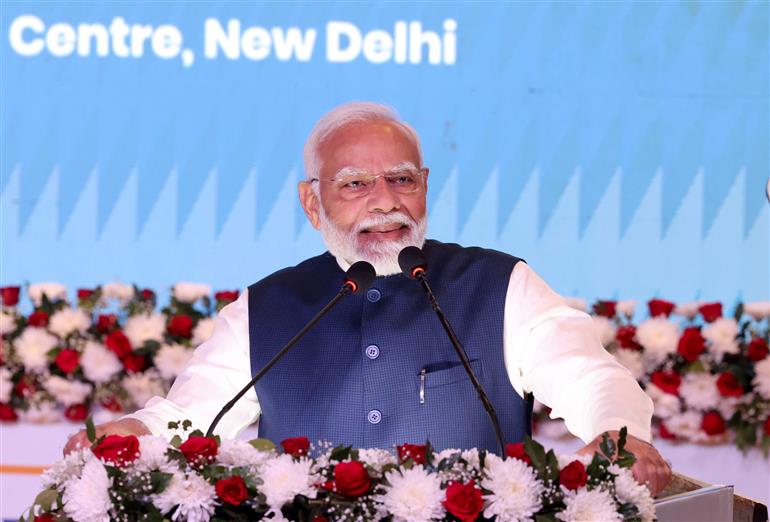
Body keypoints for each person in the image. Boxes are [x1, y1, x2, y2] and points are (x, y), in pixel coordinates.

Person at [65, 102, 671, 495]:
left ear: (424, 186)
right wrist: (133, 431)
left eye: (402, 179)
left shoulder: (501, 285)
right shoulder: (265, 308)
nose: (384, 200)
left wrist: (617, 433)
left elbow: (592, 377)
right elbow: (188, 417)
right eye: (355, 184)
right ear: (313, 202)